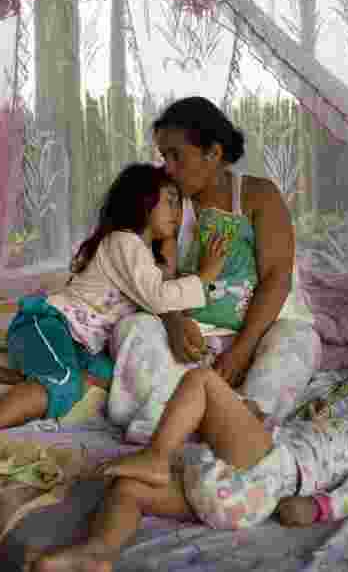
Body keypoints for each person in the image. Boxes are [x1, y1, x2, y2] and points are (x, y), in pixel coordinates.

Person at [27, 367, 348, 572]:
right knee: (128, 489)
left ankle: (157, 456)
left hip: (270, 472)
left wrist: (319, 508)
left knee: (202, 380)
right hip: (241, 499)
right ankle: (98, 552)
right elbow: (314, 449)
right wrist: (303, 422)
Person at [107, 96, 323, 442]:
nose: (168, 168)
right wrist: (174, 323)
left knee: (298, 341)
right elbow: (157, 278)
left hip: (259, 330)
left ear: (214, 152)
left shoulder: (258, 195)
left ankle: (248, 417)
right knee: (133, 327)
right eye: (164, 157)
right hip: (194, 338)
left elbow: (276, 278)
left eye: (177, 155)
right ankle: (163, 421)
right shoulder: (169, 203)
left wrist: (242, 351)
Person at [0, 163, 229, 431]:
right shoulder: (124, 241)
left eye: (179, 204)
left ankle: (17, 377)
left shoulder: (142, 255)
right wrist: (205, 275)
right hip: (48, 323)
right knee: (65, 383)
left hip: (82, 346)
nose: (178, 213)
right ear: (143, 200)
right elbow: (159, 297)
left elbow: (161, 293)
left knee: (122, 381)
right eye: (170, 201)